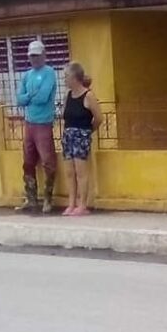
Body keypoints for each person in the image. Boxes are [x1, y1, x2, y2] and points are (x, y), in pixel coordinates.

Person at [16, 39, 58, 214]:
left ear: (43, 55)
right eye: (31, 56)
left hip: (43, 122)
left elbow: (42, 97)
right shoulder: (27, 75)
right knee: (28, 161)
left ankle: (48, 198)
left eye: (36, 56)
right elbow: (19, 99)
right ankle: (31, 198)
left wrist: (28, 96)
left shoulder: (49, 72)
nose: (33, 59)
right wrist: (30, 96)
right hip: (30, 122)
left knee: (48, 161)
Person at [61, 62, 102, 217]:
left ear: (75, 78)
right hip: (68, 135)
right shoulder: (68, 96)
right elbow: (65, 115)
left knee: (81, 172)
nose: (64, 80)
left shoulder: (88, 96)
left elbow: (98, 118)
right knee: (69, 172)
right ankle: (71, 203)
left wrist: (88, 131)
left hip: (81, 135)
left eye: (66, 76)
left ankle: (82, 204)